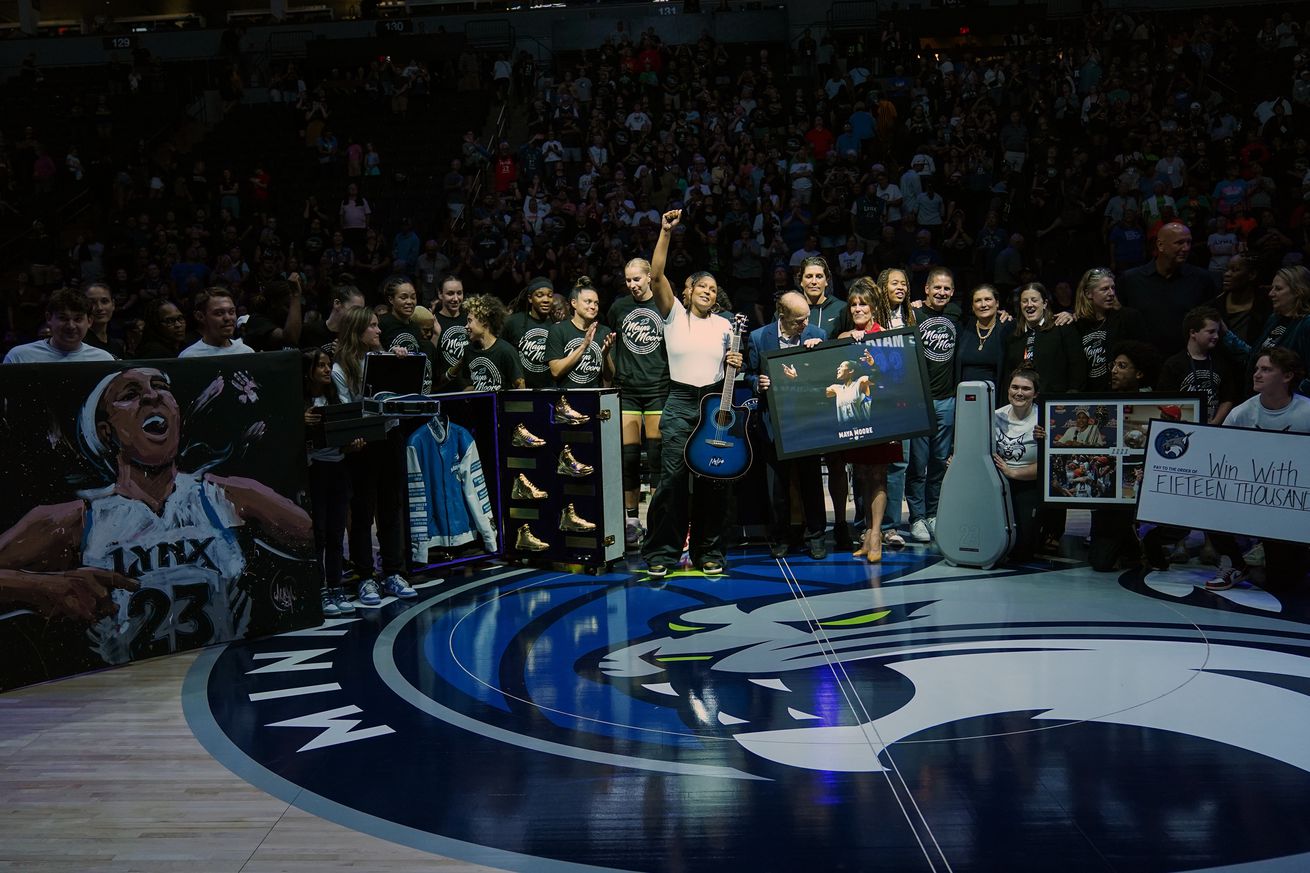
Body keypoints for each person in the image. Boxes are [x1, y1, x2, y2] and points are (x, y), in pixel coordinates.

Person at [0, 367, 311, 662]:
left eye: (161, 387)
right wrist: (46, 586)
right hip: (123, 689)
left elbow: (314, 539)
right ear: (106, 432)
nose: (152, 397)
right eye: (130, 393)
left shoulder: (229, 495)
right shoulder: (74, 520)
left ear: (176, 415)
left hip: (220, 667)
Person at [641, 210, 739, 578]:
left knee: (714, 482)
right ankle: (662, 553)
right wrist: (666, 231)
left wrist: (736, 362)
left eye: (713, 289)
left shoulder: (726, 324)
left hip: (714, 403)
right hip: (680, 402)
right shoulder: (673, 315)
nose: (709, 292)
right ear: (688, 290)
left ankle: (708, 551)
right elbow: (655, 274)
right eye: (703, 287)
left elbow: (731, 368)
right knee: (672, 482)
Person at [1200, 349, 1310, 592]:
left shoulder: (1307, 412)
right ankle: (1235, 563)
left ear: (1287, 376)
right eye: (1257, 368)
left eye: (1266, 369)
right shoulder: (1240, 413)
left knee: (1284, 585)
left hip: (1291, 505)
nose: (1257, 374)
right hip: (1249, 496)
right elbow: (1219, 458)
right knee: (1206, 500)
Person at [331, 306, 418, 605]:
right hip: (363, 443)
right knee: (363, 511)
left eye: (378, 326)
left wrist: (399, 365)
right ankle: (366, 576)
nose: (379, 331)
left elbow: (403, 396)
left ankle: (393, 571)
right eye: (372, 326)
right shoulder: (340, 368)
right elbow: (346, 410)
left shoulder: (382, 357)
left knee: (391, 506)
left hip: (390, 436)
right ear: (357, 330)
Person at [745, 291, 828, 560]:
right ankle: (779, 538)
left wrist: (820, 353)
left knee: (811, 483)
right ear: (783, 316)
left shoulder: (817, 334)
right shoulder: (759, 337)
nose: (804, 324)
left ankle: (816, 537)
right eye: (798, 320)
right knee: (776, 488)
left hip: (807, 421)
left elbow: (824, 375)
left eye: (806, 318)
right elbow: (747, 372)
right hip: (774, 421)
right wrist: (757, 383)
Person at [830, 277, 905, 561]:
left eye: (863, 304)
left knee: (878, 474)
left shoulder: (886, 335)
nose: (858, 309)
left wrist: (872, 347)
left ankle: (876, 536)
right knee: (861, 474)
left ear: (874, 307)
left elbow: (896, 377)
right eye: (854, 304)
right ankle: (867, 531)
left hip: (883, 416)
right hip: (855, 419)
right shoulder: (842, 337)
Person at [610, 257, 671, 547]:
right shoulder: (619, 308)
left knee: (657, 457)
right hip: (629, 391)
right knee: (630, 459)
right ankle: (631, 521)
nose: (633, 285)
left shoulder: (663, 305)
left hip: (659, 388)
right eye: (628, 280)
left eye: (637, 279)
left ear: (650, 277)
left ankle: (658, 519)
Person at [797, 255, 852, 548]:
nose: (814, 281)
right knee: (804, 467)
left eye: (819, 276)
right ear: (801, 280)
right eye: (809, 276)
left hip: (834, 397)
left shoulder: (840, 309)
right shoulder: (791, 307)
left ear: (827, 280)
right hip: (803, 399)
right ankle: (810, 526)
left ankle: (841, 523)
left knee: (836, 464)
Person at [303, 349, 360, 617]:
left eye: (329, 365)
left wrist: (354, 444)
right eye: (321, 366)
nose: (327, 370)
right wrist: (299, 422)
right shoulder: (298, 403)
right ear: (308, 371)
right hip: (314, 472)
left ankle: (336, 587)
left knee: (337, 533)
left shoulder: (336, 398)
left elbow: (347, 439)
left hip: (338, 468)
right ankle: (320, 589)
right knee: (319, 535)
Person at [906, 267, 961, 543]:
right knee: (917, 464)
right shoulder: (913, 314)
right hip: (918, 402)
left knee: (939, 462)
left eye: (947, 289)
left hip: (947, 400)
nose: (941, 293)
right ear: (926, 289)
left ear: (952, 291)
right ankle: (915, 517)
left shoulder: (956, 314)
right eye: (936, 287)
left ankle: (933, 513)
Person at [1118, 221, 1217, 358]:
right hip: (1144, 364)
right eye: (1179, 243)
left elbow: (1212, 324)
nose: (1186, 248)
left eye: (1189, 242)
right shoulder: (1131, 280)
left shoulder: (1202, 279)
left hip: (1187, 364)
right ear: (1160, 245)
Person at [1157, 306, 1240, 424]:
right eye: (1211, 332)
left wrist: (1215, 423)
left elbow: (1228, 399)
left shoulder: (1221, 363)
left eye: (1218, 332)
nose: (1216, 336)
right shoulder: (1174, 364)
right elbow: (1165, 400)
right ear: (1193, 333)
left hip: (1214, 427)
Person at [993, 368, 1042, 562]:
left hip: (1028, 483)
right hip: (996, 483)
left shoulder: (1043, 420)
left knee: (1022, 552)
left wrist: (1012, 472)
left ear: (1035, 393)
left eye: (1026, 388)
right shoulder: (995, 416)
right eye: (1014, 387)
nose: (1019, 392)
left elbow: (1047, 466)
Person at [1071, 267, 1148, 391]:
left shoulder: (1128, 317)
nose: (1111, 293)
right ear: (1088, 293)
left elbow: (1144, 356)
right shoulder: (1077, 324)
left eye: (1113, 288)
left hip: (1121, 393)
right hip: (1089, 394)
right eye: (1105, 289)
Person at [1006, 282, 1087, 394]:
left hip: (1056, 402)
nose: (1029, 305)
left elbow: (1078, 365)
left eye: (1034, 300)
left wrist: (1072, 394)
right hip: (1023, 403)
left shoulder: (1062, 327)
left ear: (1044, 303)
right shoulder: (1013, 336)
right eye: (1025, 301)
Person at [3, 288, 117, 364]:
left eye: (78, 319)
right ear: (49, 318)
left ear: (89, 321)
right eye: (63, 318)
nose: (71, 326)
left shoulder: (103, 360)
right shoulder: (19, 357)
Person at [442, 294, 524, 392]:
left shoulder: (505, 351)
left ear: (484, 321)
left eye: (470, 321)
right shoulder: (469, 351)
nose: (466, 326)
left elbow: (520, 386)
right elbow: (473, 385)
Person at [546, 277, 614, 389]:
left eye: (596, 303)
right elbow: (555, 371)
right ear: (574, 303)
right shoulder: (558, 330)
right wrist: (584, 346)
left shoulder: (604, 332)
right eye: (588, 302)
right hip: (566, 400)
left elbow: (609, 377)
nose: (593, 307)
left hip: (594, 398)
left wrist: (605, 354)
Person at [502, 277, 559, 389]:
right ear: (530, 298)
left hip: (550, 391)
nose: (546, 300)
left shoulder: (558, 326)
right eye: (539, 295)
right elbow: (502, 354)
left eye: (550, 295)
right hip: (520, 392)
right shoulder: (513, 322)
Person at [956, 284, 1015, 388]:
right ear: (973, 307)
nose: (983, 304)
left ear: (997, 303)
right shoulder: (964, 327)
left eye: (988, 299)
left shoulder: (1008, 328)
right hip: (964, 396)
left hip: (996, 397)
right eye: (978, 301)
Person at [179, 288, 254, 358]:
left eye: (231, 312)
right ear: (200, 316)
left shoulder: (247, 352)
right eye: (219, 313)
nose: (228, 318)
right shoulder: (189, 357)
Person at [299, 283, 365, 354]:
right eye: (355, 310)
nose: (358, 315)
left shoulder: (355, 338)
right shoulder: (309, 331)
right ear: (337, 304)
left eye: (360, 312)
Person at [433, 276, 469, 377]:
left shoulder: (470, 320)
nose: (456, 298)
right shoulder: (433, 321)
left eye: (459, 293)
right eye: (450, 293)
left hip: (469, 386)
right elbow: (429, 358)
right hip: (443, 386)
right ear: (440, 294)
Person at [83, 282, 124, 358]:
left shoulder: (116, 346)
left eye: (104, 301)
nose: (99, 308)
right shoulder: (78, 344)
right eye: (92, 302)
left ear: (113, 304)